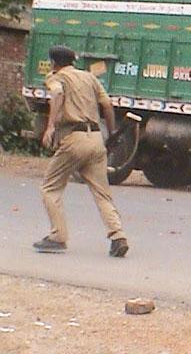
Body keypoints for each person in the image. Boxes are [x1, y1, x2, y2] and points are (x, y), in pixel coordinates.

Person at [33, 45, 129, 257]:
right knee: (102, 193)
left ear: (53, 63)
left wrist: (50, 126)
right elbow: (107, 104)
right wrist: (111, 133)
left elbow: (57, 93)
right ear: (73, 61)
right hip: (95, 138)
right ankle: (118, 236)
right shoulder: (89, 77)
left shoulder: (56, 77)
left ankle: (58, 236)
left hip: (73, 139)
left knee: (50, 187)